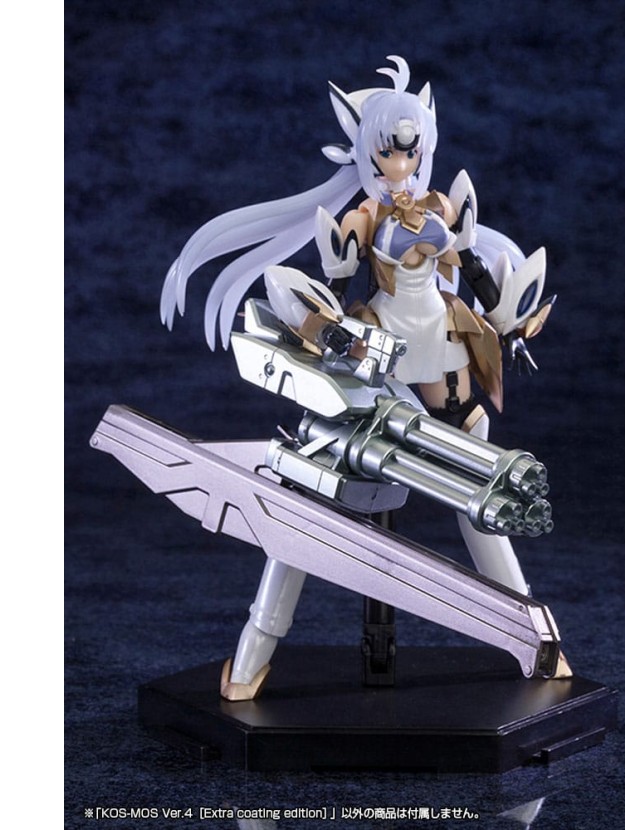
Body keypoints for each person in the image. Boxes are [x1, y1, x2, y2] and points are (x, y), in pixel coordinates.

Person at [161, 56, 554, 700]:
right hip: (381, 372)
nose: (400, 165)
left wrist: (506, 326)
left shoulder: (442, 207)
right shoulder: (363, 218)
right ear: (368, 152)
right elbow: (334, 298)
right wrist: (328, 336)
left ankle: (535, 638)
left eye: (410, 152)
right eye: (388, 153)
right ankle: (253, 657)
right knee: (308, 502)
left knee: (486, 501)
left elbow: (476, 272)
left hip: (447, 364)